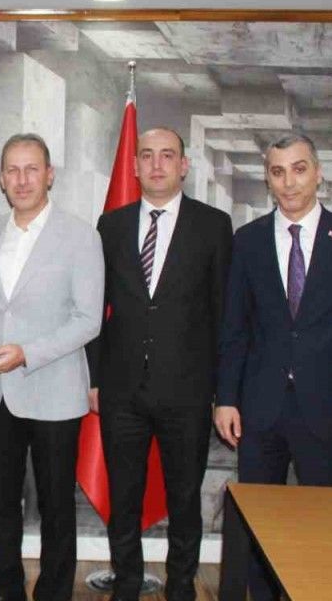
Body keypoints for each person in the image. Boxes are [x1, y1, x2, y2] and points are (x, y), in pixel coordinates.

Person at [214, 132, 332, 601]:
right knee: (260, 526)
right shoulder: (247, 241)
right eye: (277, 172)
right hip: (259, 410)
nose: (289, 182)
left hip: (329, 413)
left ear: (318, 173)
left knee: (326, 528)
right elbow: (234, 330)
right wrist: (225, 398)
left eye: (299, 169)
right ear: (268, 179)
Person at [87, 127, 232, 601]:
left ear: (183, 165)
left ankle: (182, 586)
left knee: (185, 500)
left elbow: (224, 314)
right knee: (124, 498)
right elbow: (95, 309)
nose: (156, 164)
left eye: (167, 155)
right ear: (134, 167)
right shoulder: (111, 225)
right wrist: (94, 378)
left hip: (187, 391)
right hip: (121, 389)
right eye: (146, 155)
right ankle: (126, 583)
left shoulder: (213, 226)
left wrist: (222, 392)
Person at [0, 134, 104, 601]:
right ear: (0, 179)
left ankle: (53, 593)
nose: (22, 179)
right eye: (12, 170)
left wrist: (28, 352)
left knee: (55, 507)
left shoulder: (81, 236)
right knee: (0, 503)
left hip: (54, 391)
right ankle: (5, 589)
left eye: (32, 169)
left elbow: (88, 320)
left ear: (50, 175)